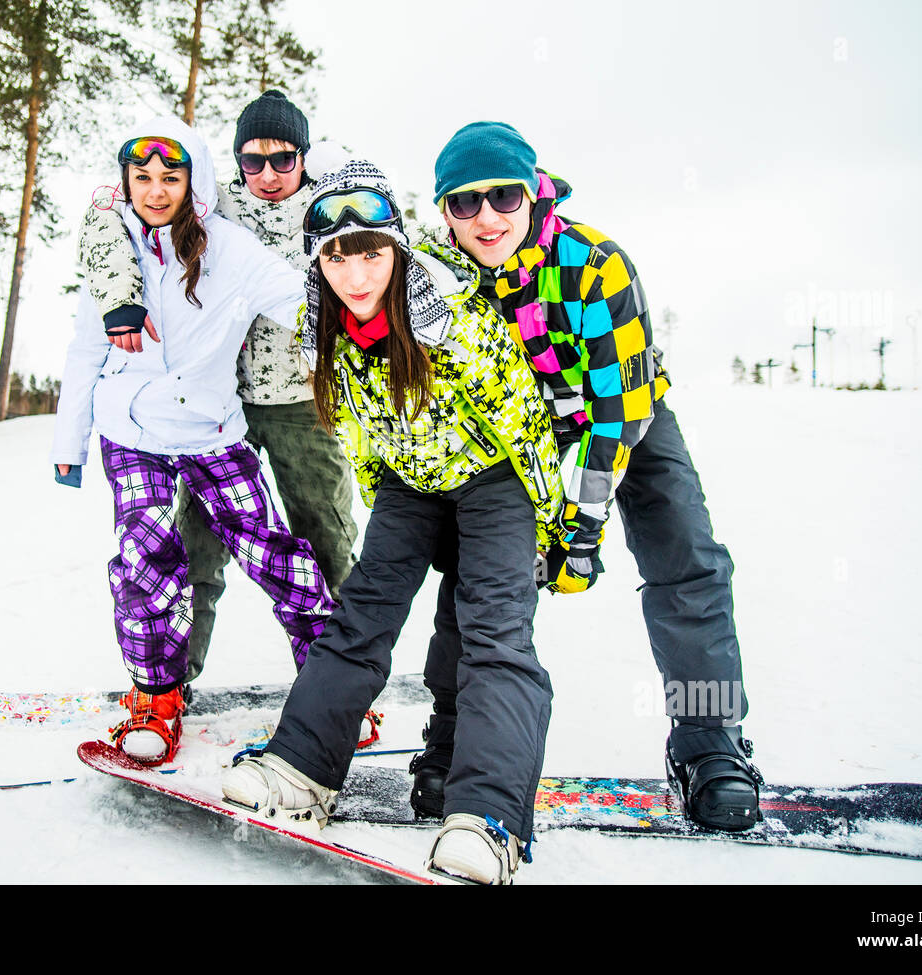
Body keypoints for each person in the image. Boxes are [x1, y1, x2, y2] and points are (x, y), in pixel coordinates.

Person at [218, 161, 564, 885]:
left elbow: (524, 425)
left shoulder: (452, 319)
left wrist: (546, 527)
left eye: (371, 251)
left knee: (494, 630)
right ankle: (301, 768)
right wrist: (391, 512)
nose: (355, 271)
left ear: (397, 251)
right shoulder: (328, 331)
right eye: (338, 256)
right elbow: (357, 434)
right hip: (412, 482)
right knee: (364, 608)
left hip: (499, 479)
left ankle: (487, 818)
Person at [417, 121, 762, 832]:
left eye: (504, 196)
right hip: (520, 431)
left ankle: (707, 737)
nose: (487, 218)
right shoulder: (440, 275)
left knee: (685, 555)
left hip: (622, 410)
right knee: (481, 570)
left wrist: (580, 526)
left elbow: (619, 417)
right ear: (444, 209)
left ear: (534, 193)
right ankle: (454, 738)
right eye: (464, 202)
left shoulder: (593, 263)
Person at [50, 115, 335, 765]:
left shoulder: (229, 249)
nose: (155, 190)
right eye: (143, 177)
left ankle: (332, 686)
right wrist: (69, 438)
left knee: (271, 550)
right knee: (146, 557)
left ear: (194, 180)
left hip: (212, 428)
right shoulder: (113, 251)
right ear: (125, 180)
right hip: (132, 429)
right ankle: (156, 697)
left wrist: (381, 315)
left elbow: (302, 301)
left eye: (170, 176)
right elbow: (85, 348)